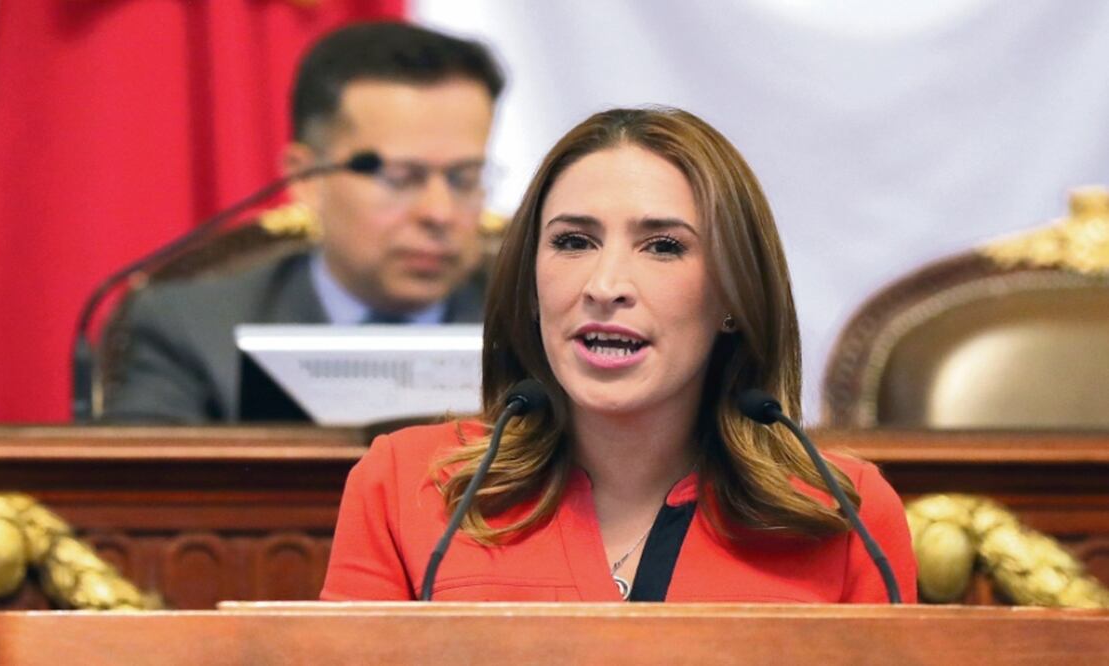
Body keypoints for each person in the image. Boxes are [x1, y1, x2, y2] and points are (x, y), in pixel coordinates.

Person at [320, 107, 917, 602]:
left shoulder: (843, 514)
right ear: (530, 286)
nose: (606, 285)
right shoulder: (409, 486)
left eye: (662, 246)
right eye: (573, 242)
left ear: (734, 294)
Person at [104, 22, 505, 423]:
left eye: (463, 178)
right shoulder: (192, 328)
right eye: (399, 178)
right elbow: (140, 483)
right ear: (306, 178)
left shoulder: (534, 326)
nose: (439, 213)